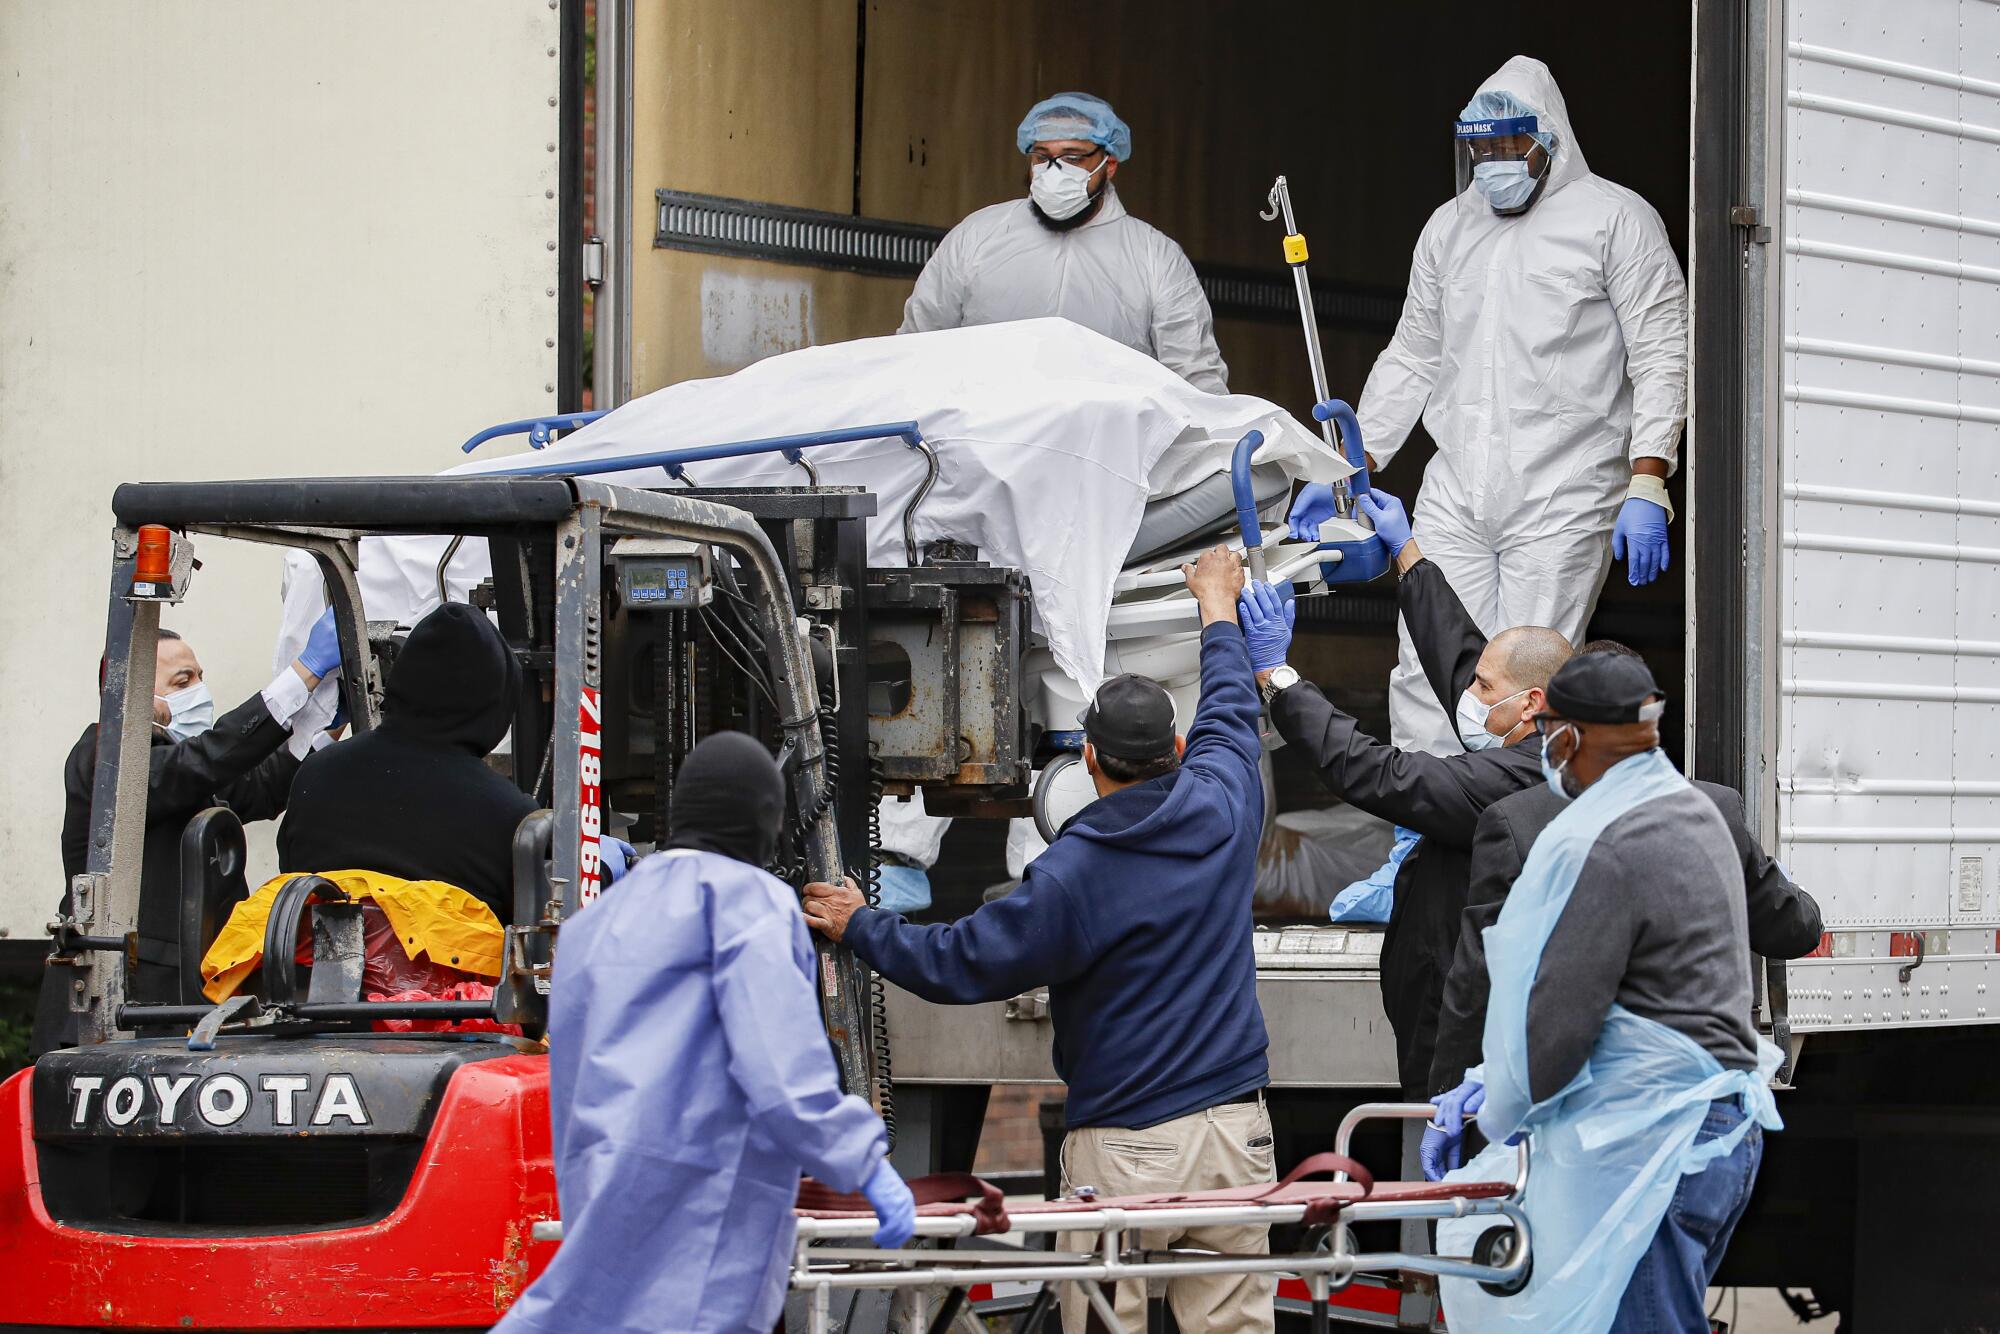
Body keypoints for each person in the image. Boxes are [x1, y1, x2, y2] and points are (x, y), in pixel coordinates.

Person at [803, 546, 1275, 1334]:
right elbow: (1230, 705)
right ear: (1179, 753)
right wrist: (1217, 605)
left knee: (1101, 1321)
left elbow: (959, 962)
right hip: (1236, 1135)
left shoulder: (1073, 874)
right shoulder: (1226, 807)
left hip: (1128, 1151)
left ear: (1087, 761)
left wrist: (861, 924)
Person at [1290, 56, 1688, 759]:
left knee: (1526, 677)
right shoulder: (1449, 228)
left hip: (1565, 487)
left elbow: (1661, 351)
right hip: (1458, 485)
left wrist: (1648, 479)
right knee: (1423, 664)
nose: (1494, 163)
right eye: (1481, 149)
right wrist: (1343, 469)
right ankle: (1419, 850)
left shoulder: (1615, 220)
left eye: (1510, 147)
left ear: (1550, 141)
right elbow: (1413, 355)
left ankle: (1514, 844)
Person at [493, 732, 913, 1334]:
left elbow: (570, 1080)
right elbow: (782, 1073)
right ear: (763, 822)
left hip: (604, 1199)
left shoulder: (594, 924)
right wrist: (864, 1161)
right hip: (705, 1218)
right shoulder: (749, 905)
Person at [1430, 652, 1781, 1332]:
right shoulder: (1698, 812)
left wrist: (1494, 1105)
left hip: (1654, 1141)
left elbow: (1559, 1029)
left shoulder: (1604, 840)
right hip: (1712, 1130)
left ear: (1569, 736)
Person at [1423, 641, 1822, 1142]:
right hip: (1710, 1115)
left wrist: (1452, 1097)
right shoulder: (1715, 809)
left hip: (1592, 1116)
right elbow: (1794, 927)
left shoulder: (1516, 823)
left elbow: (1479, 980)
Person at [1242, 491, 1567, 1095]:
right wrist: (1409, 557)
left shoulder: (1515, 784)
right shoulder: (1545, 740)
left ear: (1529, 705)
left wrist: (1277, 676)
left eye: (1483, 687)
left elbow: (1375, 771)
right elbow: (1463, 655)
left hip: (1468, 1036)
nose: (1469, 692)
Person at [32, 612, 344, 1050]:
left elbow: (260, 787)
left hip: (173, 1009)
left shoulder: (178, 765)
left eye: (199, 677)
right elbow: (206, 761)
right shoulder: (104, 754)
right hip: (115, 1014)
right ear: (132, 695)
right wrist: (304, 672)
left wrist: (325, 722)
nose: (199, 690)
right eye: (183, 682)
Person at [900, 91, 1228, 394]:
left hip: (1108, 449)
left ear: (1109, 164)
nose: (1054, 170)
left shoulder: (1155, 256)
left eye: (1072, 159)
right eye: (1042, 157)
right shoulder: (978, 236)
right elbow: (917, 345)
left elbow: (1194, 378)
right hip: (987, 444)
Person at [278, 602, 538, 920]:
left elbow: (291, 886)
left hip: (312, 966)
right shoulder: (512, 819)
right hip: (452, 969)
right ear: (497, 706)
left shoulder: (314, 777)